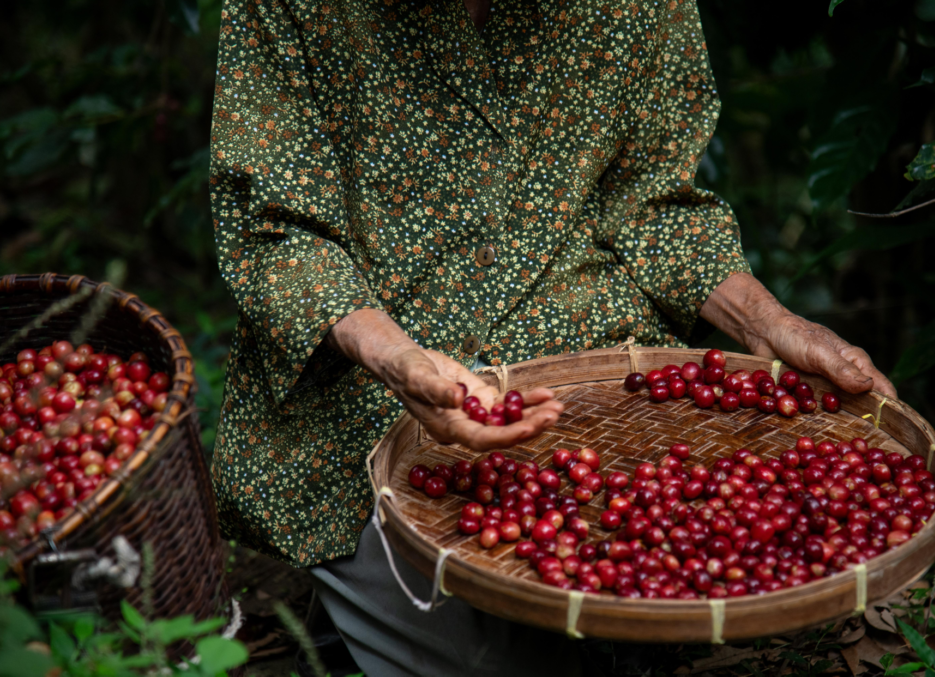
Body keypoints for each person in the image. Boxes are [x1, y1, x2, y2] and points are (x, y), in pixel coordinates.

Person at [208, 0, 897, 674]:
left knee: (658, 551)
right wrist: (394, 358)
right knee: (493, 650)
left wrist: (769, 322)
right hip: (373, 380)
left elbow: (652, 201)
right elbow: (277, 233)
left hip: (592, 367)